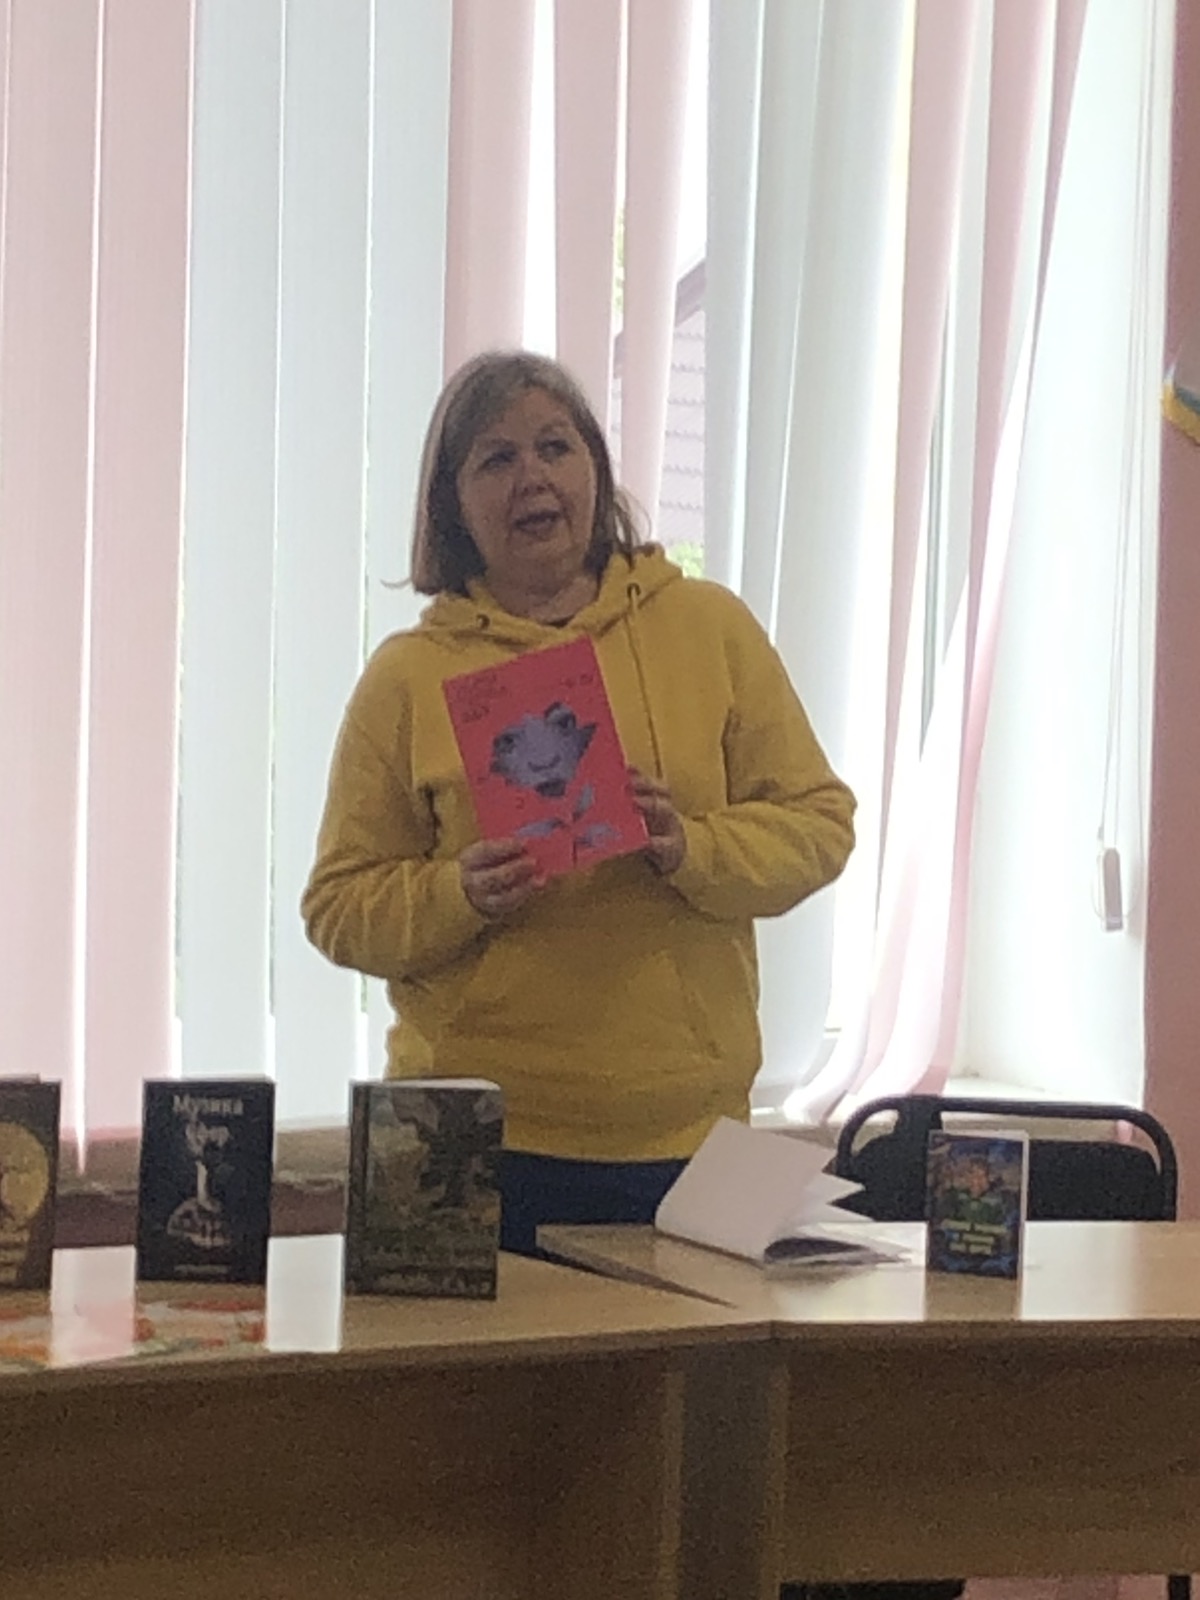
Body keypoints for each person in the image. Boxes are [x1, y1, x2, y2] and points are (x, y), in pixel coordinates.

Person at [301, 348, 856, 1256]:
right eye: (497, 458)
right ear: (452, 503)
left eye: (556, 447)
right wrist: (458, 893)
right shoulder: (408, 677)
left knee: (694, 1359)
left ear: (596, 469)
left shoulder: (708, 627)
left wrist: (692, 846)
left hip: (689, 1139)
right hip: (466, 1137)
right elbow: (337, 907)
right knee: (466, 1364)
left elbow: (819, 824)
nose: (533, 477)